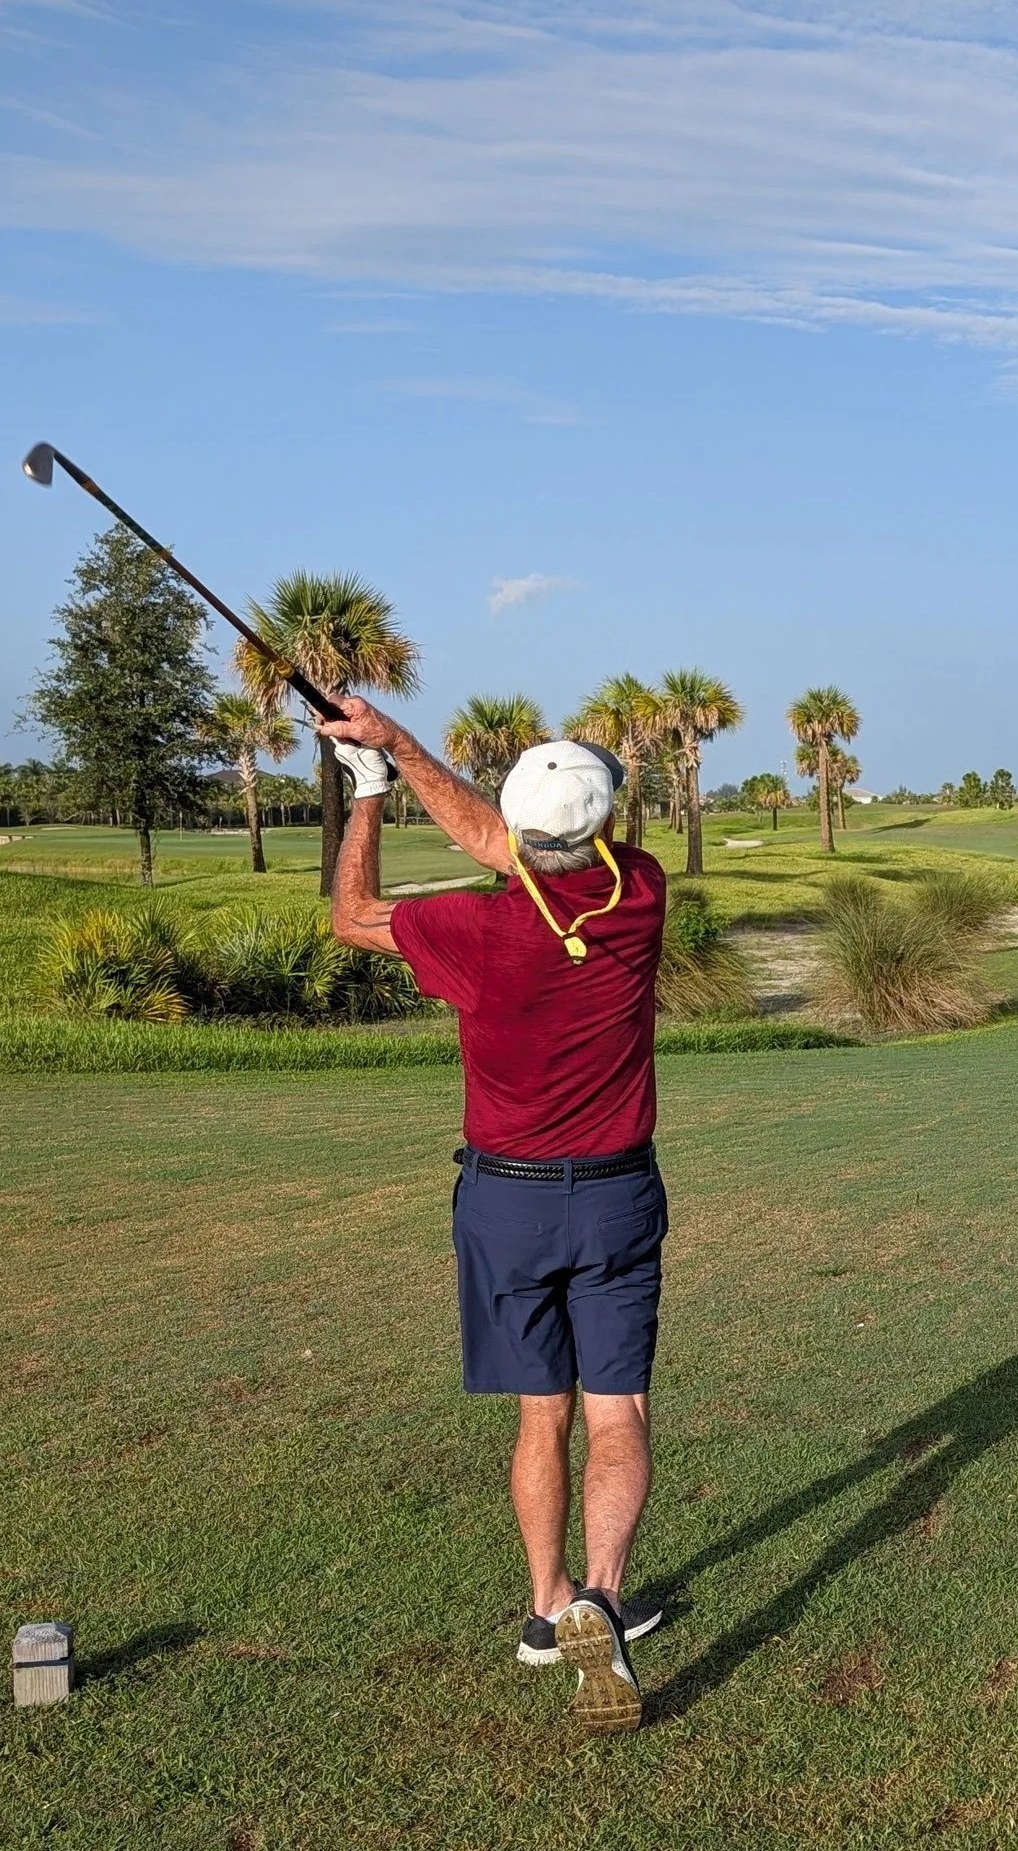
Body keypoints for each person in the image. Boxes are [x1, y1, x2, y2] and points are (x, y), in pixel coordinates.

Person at [318, 696, 668, 1735]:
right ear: (600, 829)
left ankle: (545, 1605)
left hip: (504, 1203)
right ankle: (602, 1597)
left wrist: (374, 788)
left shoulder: (468, 926)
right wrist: (398, 744)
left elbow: (352, 913)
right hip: (613, 1195)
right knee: (618, 1415)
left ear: (520, 833)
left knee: (540, 1414)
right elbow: (504, 837)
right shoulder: (638, 892)